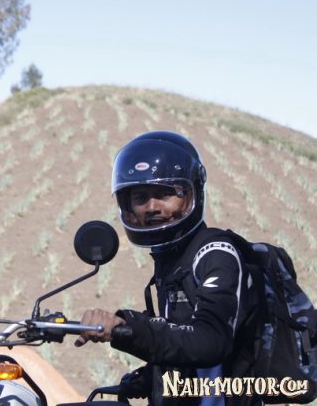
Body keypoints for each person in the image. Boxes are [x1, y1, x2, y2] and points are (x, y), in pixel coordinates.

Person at [75, 131, 259, 406]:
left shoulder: (216, 253)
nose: (152, 207)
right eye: (141, 197)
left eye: (164, 194)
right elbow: (181, 340)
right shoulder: (172, 259)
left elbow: (211, 341)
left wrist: (127, 328)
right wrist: (149, 377)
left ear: (192, 194)